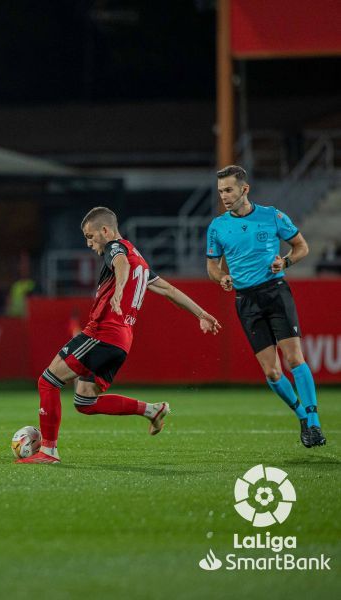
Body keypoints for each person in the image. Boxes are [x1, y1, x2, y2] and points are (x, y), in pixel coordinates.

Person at [19, 206, 222, 464]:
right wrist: (201, 313)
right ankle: (152, 410)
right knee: (84, 401)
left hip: (103, 332)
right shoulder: (142, 263)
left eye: (91, 236)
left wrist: (119, 290)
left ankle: (48, 451)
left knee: (47, 381)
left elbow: (120, 263)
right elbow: (169, 290)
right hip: (122, 340)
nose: (89, 242)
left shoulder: (116, 248)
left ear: (106, 231)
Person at [206, 165, 324, 448]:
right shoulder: (218, 226)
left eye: (229, 189)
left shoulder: (272, 216)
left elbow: (301, 247)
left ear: (244, 189)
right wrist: (222, 277)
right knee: (272, 372)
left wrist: (284, 262)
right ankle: (302, 418)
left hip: (275, 292)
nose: (224, 195)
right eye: (221, 190)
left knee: (295, 359)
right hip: (245, 300)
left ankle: (315, 423)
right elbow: (211, 266)